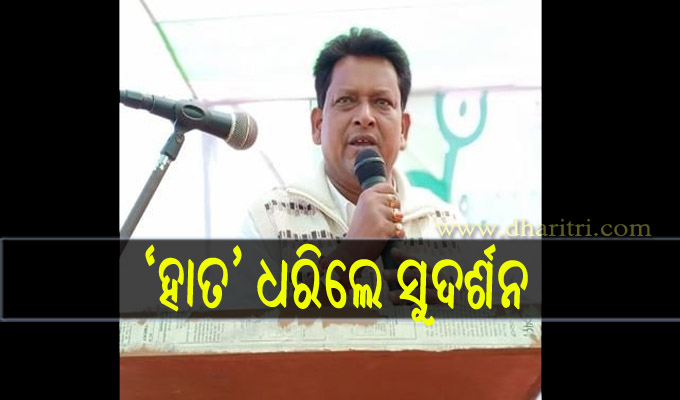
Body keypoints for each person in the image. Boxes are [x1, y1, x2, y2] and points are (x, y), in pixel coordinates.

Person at [243, 27, 462, 242]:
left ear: (403, 130)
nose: (365, 117)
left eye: (382, 102)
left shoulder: (446, 225)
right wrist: (352, 252)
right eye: (346, 100)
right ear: (318, 125)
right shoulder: (270, 221)